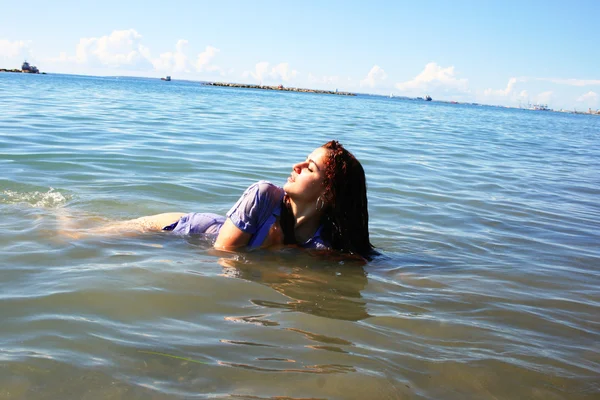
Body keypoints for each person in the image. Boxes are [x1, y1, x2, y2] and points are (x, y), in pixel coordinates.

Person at [65, 140, 375, 260]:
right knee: (74, 238)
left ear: (328, 192)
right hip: (179, 229)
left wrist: (279, 249)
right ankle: (51, 211)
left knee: (87, 232)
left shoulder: (326, 243)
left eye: (309, 168)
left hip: (189, 236)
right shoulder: (264, 195)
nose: (295, 167)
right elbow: (221, 254)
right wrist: (273, 252)